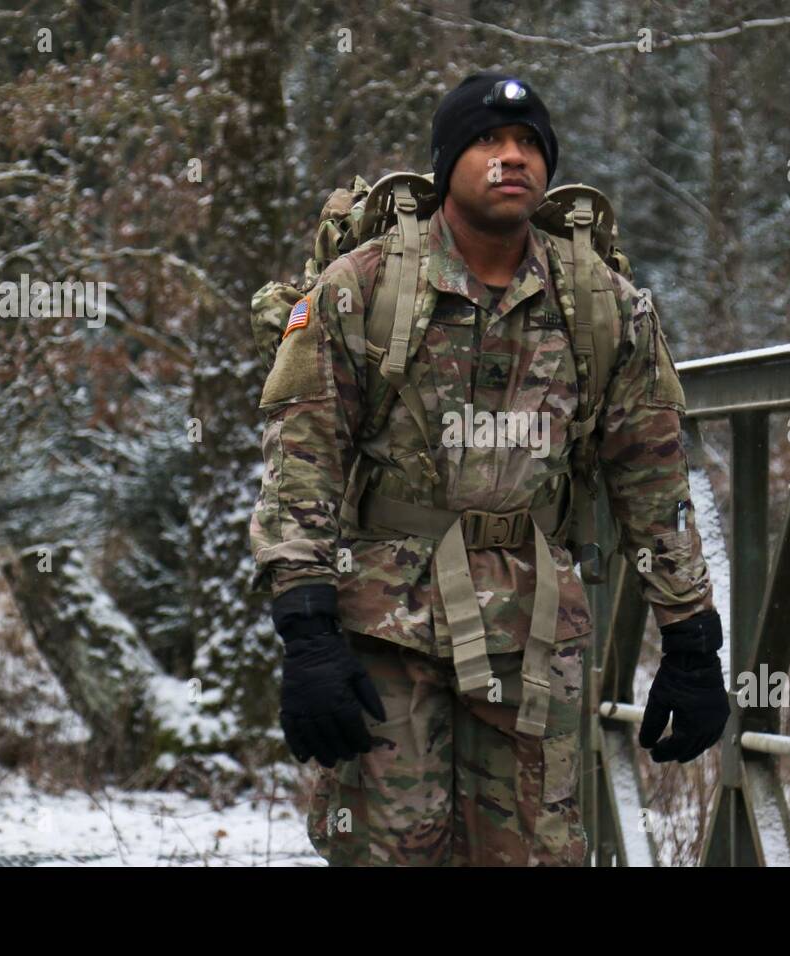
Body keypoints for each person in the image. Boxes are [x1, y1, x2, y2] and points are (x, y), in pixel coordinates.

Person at [249, 71, 729, 866]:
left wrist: (691, 640)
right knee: (388, 854)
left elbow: (653, 482)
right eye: (486, 141)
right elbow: (302, 465)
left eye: (528, 143)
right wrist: (306, 633)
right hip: (385, 631)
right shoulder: (361, 288)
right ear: (446, 163)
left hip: (534, 637)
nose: (511, 158)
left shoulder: (601, 302)